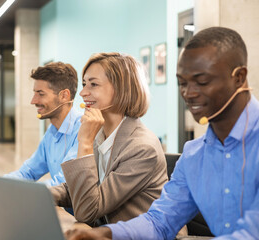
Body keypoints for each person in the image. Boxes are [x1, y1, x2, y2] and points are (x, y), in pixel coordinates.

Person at [65, 27, 259, 239]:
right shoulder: (195, 153)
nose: (189, 93)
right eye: (182, 83)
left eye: (202, 81)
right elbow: (160, 221)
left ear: (239, 78)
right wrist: (106, 234)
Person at [50, 53, 167, 227]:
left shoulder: (142, 147)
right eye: (84, 84)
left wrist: (85, 143)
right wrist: (41, 195)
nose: (82, 93)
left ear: (121, 89)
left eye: (93, 84)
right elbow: (80, 187)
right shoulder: (101, 135)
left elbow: (88, 210)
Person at [4, 62, 82, 186]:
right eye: (34, 93)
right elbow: (28, 173)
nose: (33, 101)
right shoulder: (52, 131)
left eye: (40, 94)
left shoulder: (83, 130)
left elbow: (63, 183)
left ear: (64, 96)